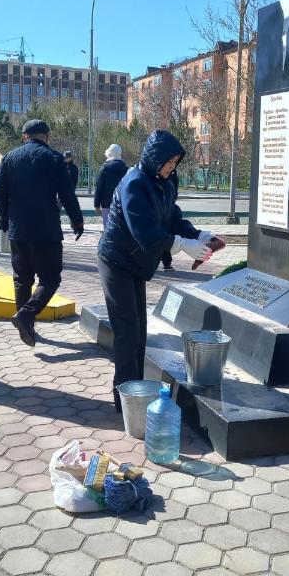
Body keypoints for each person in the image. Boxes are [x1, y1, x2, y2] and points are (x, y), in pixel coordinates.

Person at [97, 130, 218, 412]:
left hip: (135, 264)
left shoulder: (164, 183)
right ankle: (125, 399)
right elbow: (145, 232)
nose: (171, 167)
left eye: (175, 162)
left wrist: (198, 235)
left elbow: (172, 217)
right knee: (127, 331)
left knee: (139, 331)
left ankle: (134, 389)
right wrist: (182, 245)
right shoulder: (134, 183)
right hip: (116, 260)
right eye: (168, 162)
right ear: (154, 158)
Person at [0, 119, 84, 348]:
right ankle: (26, 315)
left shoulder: (10, 157)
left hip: (18, 229)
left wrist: (4, 216)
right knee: (50, 278)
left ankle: (27, 325)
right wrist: (77, 220)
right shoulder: (54, 158)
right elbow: (67, 193)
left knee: (21, 279)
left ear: (24, 136)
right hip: (46, 230)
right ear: (47, 136)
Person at [94, 144, 128, 228]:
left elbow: (99, 187)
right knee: (121, 229)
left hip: (107, 204)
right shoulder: (126, 169)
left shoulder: (104, 168)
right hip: (122, 204)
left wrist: (96, 204)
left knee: (108, 229)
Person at [160, 171, 180, 271]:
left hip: (166, 209)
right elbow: (175, 193)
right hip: (166, 209)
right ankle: (166, 262)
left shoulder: (172, 175)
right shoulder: (172, 175)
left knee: (164, 234)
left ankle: (166, 262)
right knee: (164, 233)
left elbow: (174, 192)